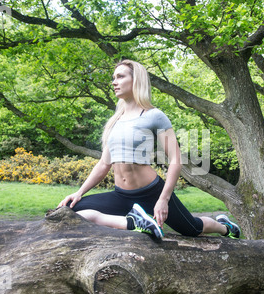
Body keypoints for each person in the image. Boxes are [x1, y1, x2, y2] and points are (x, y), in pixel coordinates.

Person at [58, 59, 240, 240]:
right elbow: (104, 164)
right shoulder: (115, 120)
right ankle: (133, 223)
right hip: (121, 195)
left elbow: (175, 160)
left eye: (120, 77)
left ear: (136, 80)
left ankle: (226, 227)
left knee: (191, 228)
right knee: (71, 210)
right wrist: (79, 192)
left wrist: (163, 199)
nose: (114, 82)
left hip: (151, 193)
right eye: (114, 77)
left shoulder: (154, 116)